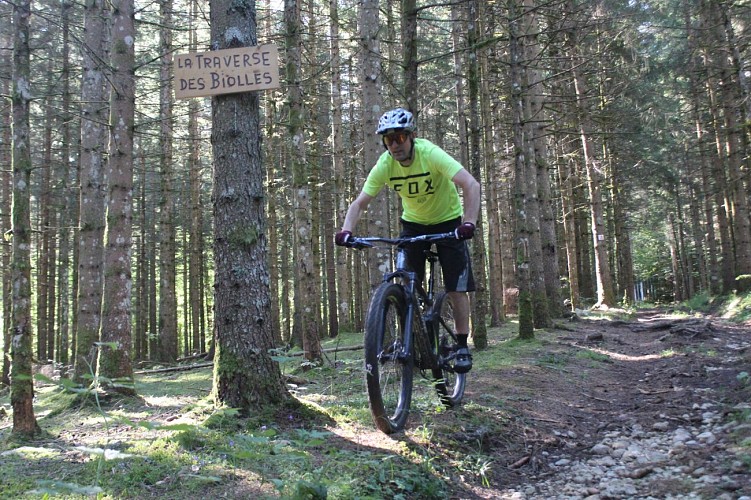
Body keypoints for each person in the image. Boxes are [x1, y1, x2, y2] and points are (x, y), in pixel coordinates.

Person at [334, 107, 481, 373]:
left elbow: (470, 184)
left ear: (412, 136)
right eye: (388, 140)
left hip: (448, 221)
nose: (394, 145)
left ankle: (461, 344)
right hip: (413, 225)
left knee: (456, 287)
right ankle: (411, 341)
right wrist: (346, 230)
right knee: (405, 282)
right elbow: (360, 203)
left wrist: (469, 222)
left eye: (400, 138)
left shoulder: (430, 153)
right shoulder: (385, 164)